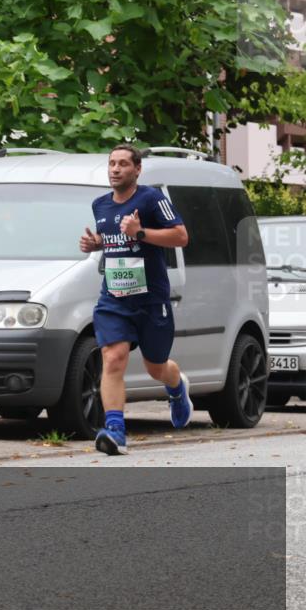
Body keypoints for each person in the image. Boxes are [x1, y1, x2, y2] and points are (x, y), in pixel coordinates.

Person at [78, 144, 193, 455]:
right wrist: (95, 244)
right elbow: (113, 239)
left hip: (151, 300)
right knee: (113, 358)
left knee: (156, 366)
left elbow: (181, 236)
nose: (115, 169)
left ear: (137, 169)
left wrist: (141, 232)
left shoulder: (152, 199)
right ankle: (115, 429)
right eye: (112, 163)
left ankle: (177, 388)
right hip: (114, 298)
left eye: (123, 164)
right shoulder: (100, 205)